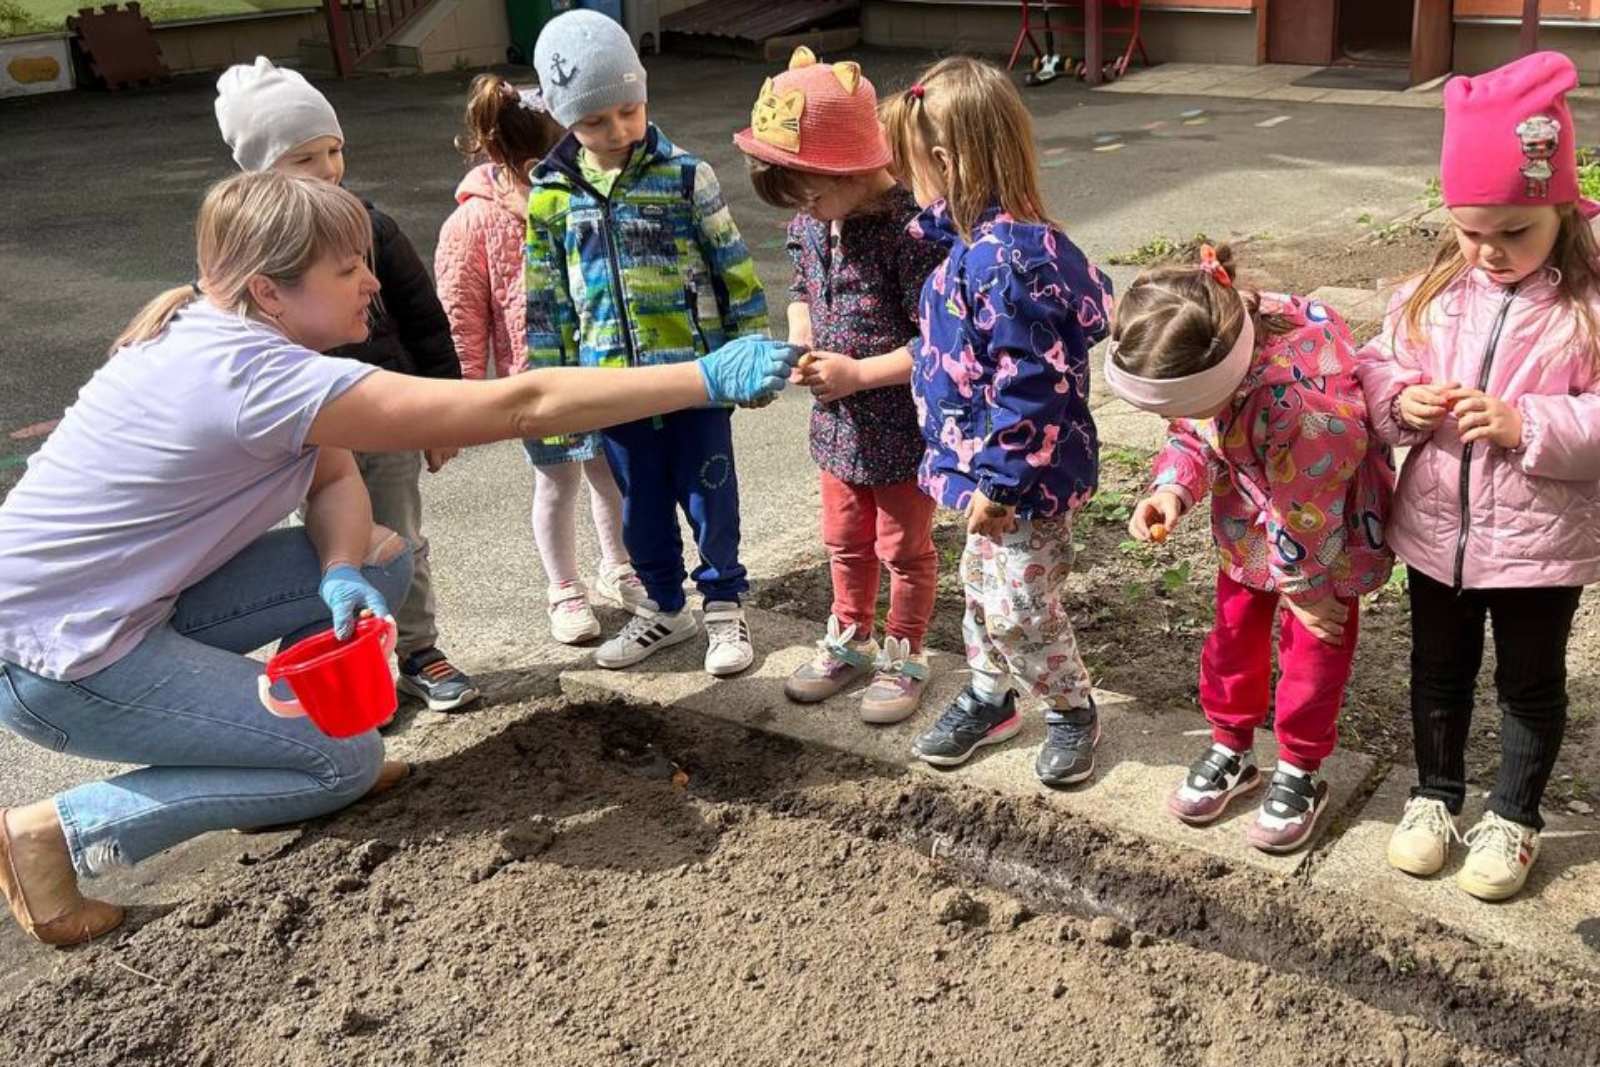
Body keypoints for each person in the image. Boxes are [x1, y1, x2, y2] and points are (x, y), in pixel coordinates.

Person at [0, 171, 801, 947]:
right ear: (271, 291)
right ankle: (54, 834)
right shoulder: (253, 376)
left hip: (115, 610)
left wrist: (339, 568)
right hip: (59, 660)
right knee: (345, 760)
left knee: (381, 556)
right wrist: (697, 378)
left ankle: (265, 758)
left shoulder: (223, 330)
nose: (372, 284)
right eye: (347, 269)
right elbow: (521, 404)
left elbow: (335, 480)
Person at [1356, 51, 1600, 900]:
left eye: (1514, 232)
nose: (1489, 252)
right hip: (1437, 534)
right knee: (1437, 669)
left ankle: (1514, 816)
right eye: (1470, 231)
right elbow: (1377, 363)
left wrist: (1528, 424)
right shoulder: (1434, 293)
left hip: (1541, 545)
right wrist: (1401, 401)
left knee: (1529, 682)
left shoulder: (1586, 309)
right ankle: (1434, 796)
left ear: (1560, 206)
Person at [870, 57, 1113, 786]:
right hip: (987, 475)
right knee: (982, 589)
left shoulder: (1003, 262)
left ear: (945, 162)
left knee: (1020, 605)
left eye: (910, 165)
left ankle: (1070, 708)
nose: (904, 181)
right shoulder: (975, 250)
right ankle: (990, 694)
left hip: (1021, 484)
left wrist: (1002, 483)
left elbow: (1033, 383)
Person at [215, 57, 478, 712]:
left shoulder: (372, 226)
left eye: (334, 150)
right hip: (307, 432)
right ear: (259, 173)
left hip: (384, 420)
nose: (329, 169)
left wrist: (443, 415)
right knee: (332, 546)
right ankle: (352, 668)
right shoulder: (249, 254)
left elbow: (425, 320)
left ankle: (417, 649)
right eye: (305, 158)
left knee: (398, 538)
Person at [1112, 246, 1395, 854]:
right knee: (1233, 632)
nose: (1178, 417)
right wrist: (1172, 488)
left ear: (1221, 378)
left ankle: (1299, 766)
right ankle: (1231, 745)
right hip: (1252, 522)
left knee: (1314, 644)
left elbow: (1309, 506)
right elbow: (1194, 431)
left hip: (1326, 540)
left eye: (1183, 404)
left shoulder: (1303, 402)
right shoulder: (1214, 347)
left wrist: (1307, 590)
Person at [528, 10, 771, 677]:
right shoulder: (549, 198)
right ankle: (664, 607)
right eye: (594, 121)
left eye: (629, 111)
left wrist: (749, 352)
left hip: (697, 380)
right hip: (612, 392)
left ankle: (724, 605)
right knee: (638, 512)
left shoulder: (687, 176)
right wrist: (554, 400)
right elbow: (547, 306)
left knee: (711, 499)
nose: (618, 131)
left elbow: (734, 267)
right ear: (564, 119)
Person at [732, 48, 945, 723]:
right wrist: (801, 335)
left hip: (902, 427)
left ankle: (905, 650)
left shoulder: (912, 233)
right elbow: (802, 287)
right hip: (838, 428)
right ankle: (851, 637)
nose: (806, 211)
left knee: (903, 547)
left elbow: (941, 344)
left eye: (811, 193)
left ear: (851, 167)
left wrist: (858, 372)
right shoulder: (814, 219)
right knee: (844, 538)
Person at [435, 74, 644, 645]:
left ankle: (619, 564)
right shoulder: (473, 222)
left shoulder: (589, 198)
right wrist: (460, 403)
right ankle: (564, 587)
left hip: (603, 371)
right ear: (537, 165)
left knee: (611, 474)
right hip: (540, 384)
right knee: (556, 483)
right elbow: (461, 317)